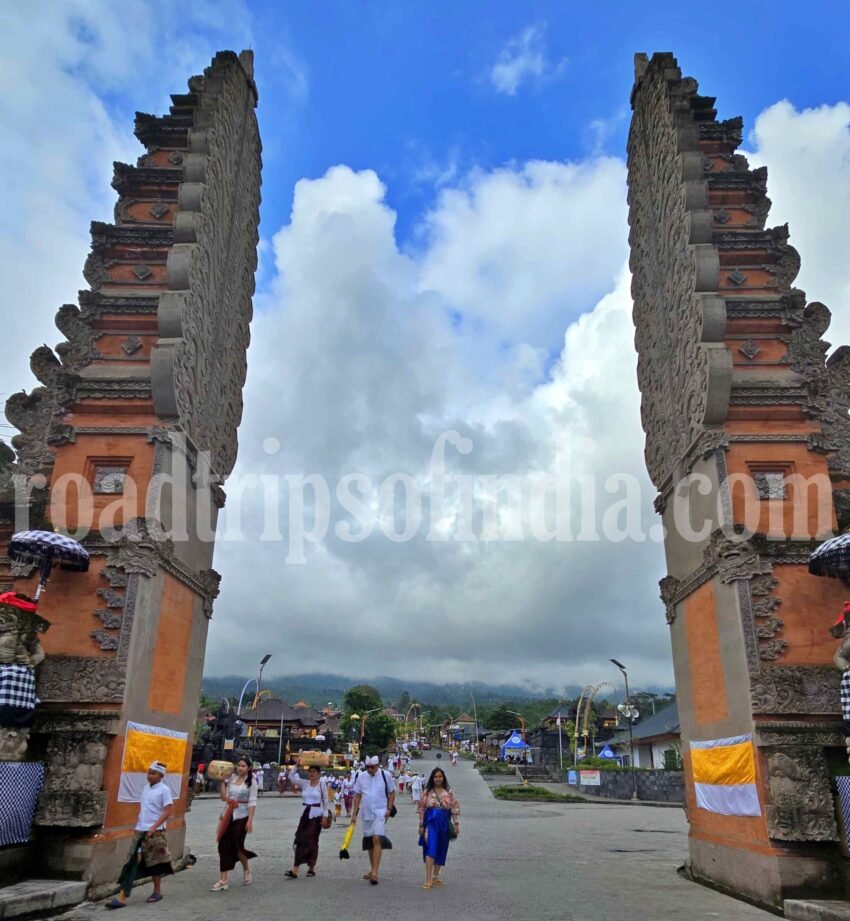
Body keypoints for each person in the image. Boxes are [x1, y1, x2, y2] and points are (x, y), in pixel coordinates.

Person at [105, 762, 174, 909]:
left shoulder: (164, 790)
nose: (150, 775)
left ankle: (157, 891)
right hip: (140, 829)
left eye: (153, 773)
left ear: (161, 776)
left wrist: (154, 827)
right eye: (149, 772)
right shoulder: (145, 789)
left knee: (155, 863)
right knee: (131, 861)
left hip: (156, 832)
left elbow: (167, 811)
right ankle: (123, 896)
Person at [212, 756, 257, 891]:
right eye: (239, 765)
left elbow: (252, 802)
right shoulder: (231, 779)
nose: (240, 768)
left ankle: (246, 867)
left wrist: (250, 820)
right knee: (223, 845)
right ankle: (223, 879)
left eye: (243, 766)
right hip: (228, 814)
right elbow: (224, 798)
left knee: (237, 846)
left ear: (248, 768)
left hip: (242, 815)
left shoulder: (252, 782)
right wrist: (221, 782)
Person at [351, 755, 396, 885]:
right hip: (366, 812)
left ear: (377, 766)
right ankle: (372, 869)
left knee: (377, 837)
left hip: (381, 811)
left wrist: (389, 808)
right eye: (368, 767)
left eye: (372, 767)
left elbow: (391, 793)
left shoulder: (385, 775)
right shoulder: (361, 776)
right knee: (370, 841)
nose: (370, 769)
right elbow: (357, 795)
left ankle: (375, 872)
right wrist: (354, 814)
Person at [285, 758, 331, 878]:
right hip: (305, 814)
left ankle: (311, 866)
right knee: (300, 839)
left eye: (314, 771)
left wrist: (325, 816)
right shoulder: (305, 783)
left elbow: (326, 801)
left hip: (316, 816)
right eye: (310, 771)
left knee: (312, 841)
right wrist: (297, 765)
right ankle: (295, 869)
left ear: (319, 773)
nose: (311, 774)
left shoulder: (322, 785)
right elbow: (291, 776)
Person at [418, 767, 460, 890]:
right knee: (431, 847)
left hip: (444, 822)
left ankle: (435, 876)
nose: (438, 779)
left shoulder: (449, 792)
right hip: (430, 822)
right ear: (432, 778)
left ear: (443, 778)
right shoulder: (427, 792)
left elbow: (454, 808)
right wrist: (421, 824)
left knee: (442, 847)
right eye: (435, 777)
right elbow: (421, 809)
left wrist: (456, 823)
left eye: (440, 776)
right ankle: (428, 879)